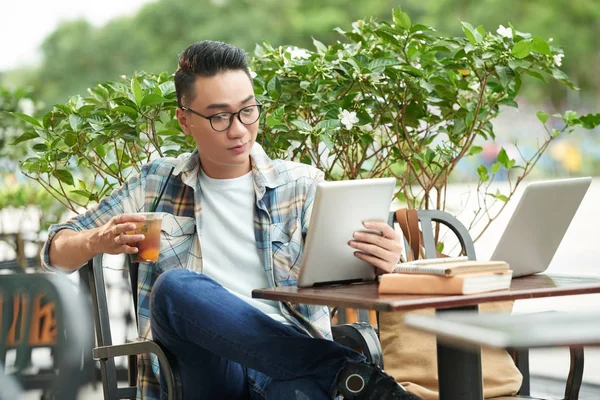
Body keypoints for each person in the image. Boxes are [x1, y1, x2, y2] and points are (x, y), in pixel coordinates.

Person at [42, 40, 420, 400]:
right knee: (175, 288)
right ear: (184, 120)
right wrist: (95, 241)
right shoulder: (155, 182)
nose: (239, 129)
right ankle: (345, 372)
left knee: (297, 388)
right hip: (202, 372)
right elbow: (56, 252)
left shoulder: (302, 185)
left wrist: (386, 264)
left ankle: (330, 372)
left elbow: (351, 278)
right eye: (220, 116)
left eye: (247, 110)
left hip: (288, 367)